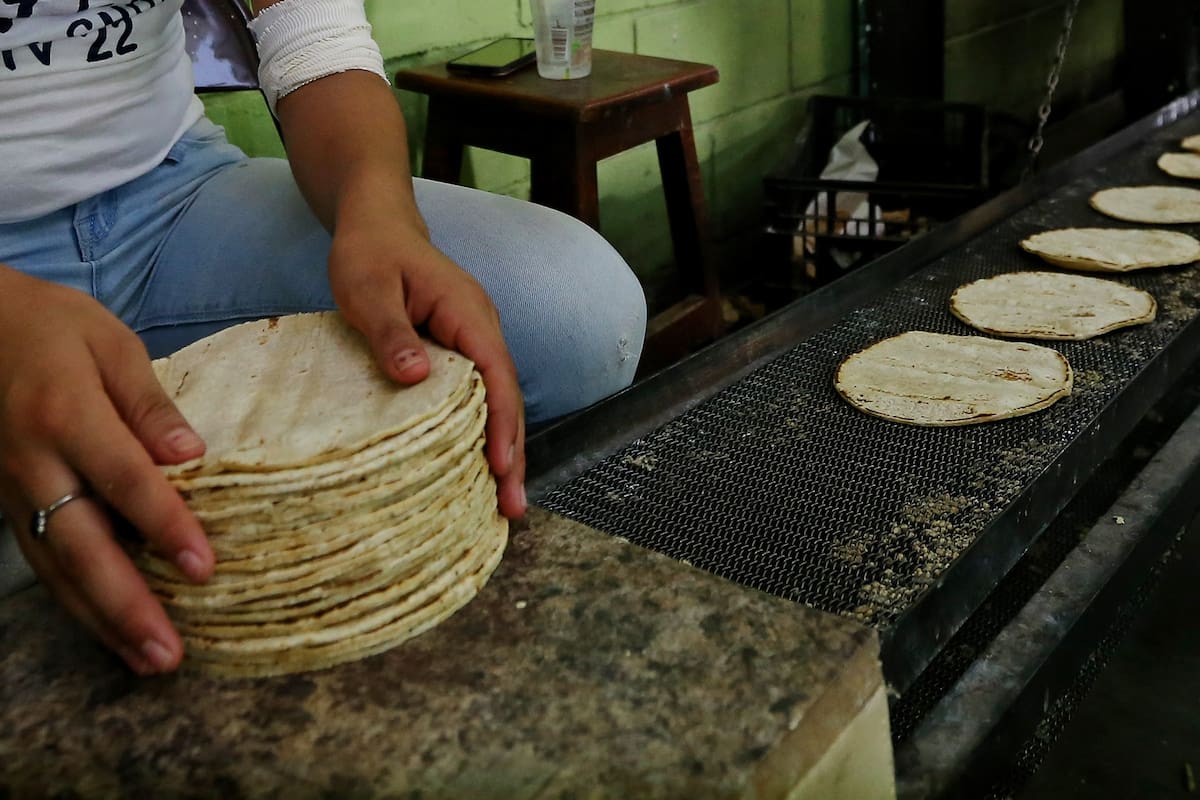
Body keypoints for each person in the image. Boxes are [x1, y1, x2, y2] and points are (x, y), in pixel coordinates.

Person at [0, 0, 646, 675]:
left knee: (575, 310)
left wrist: (378, 208)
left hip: (166, 192)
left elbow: (312, 32)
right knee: (46, 602)